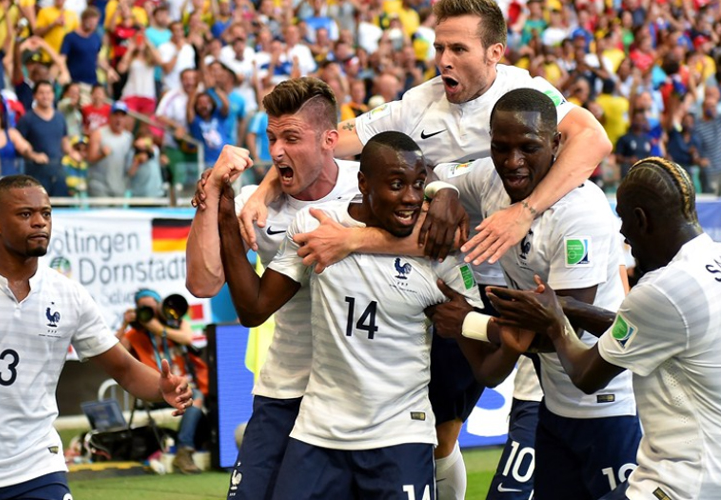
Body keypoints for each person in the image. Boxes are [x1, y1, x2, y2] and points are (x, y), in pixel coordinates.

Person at [239, 1, 611, 497]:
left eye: (459, 48)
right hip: (439, 276)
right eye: (439, 47)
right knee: (436, 430)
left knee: (483, 407)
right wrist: (267, 184)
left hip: (507, 278)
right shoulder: (420, 103)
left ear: (495, 52)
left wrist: (523, 211)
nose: (444, 59)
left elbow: (594, 140)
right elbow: (324, 140)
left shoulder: (525, 92)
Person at [217, 131, 484, 500]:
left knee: (447, 439)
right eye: (395, 185)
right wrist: (225, 216)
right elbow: (254, 309)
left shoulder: (439, 250)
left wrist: (483, 326)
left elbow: (483, 358)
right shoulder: (316, 227)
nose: (410, 197)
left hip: (399, 437)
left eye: (418, 185)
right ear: (362, 183)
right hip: (318, 434)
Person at [427, 88, 641, 500]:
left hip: (607, 401)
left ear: (557, 144)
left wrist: (470, 322)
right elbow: (438, 173)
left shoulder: (580, 212)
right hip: (550, 400)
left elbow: (560, 328)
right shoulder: (488, 179)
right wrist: (445, 196)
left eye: (529, 147)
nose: (513, 162)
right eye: (500, 147)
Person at [486, 157, 721, 500]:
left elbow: (586, 375)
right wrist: (570, 306)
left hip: (679, 484)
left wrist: (554, 323)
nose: (623, 235)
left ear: (641, 220)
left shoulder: (660, 290)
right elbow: (651, 333)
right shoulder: (709, 262)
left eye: (624, 220)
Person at [185, 77, 361, 500]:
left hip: (359, 391)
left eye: (291, 138)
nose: (277, 150)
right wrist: (212, 193)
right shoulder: (255, 205)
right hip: (284, 388)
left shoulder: (369, 184)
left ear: (329, 141)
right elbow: (203, 282)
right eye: (271, 138)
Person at [0, 175, 192, 498]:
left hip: (38, 467)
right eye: (25, 214)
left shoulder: (69, 295)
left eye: (46, 214)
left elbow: (125, 369)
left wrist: (161, 387)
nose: (39, 223)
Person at [116, 288, 208, 475]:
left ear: (160, 305)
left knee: (196, 396)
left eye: (153, 307)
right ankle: (184, 450)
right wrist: (125, 324)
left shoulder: (175, 324)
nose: (150, 313)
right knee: (195, 396)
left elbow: (187, 337)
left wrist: (157, 328)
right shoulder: (135, 335)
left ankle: (184, 451)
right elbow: (114, 351)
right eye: (144, 309)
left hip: (182, 388)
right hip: (153, 390)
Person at [16, 80, 71, 197]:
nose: (45, 96)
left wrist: (74, 153)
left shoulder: (60, 117)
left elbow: (65, 143)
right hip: (36, 174)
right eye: (41, 93)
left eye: (48, 92)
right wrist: (33, 155)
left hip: (58, 172)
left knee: (62, 207)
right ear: (35, 96)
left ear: (53, 95)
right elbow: (18, 144)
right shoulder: (27, 119)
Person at [0, 103, 48, 186]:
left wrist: (34, 155)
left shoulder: (11, 133)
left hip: (12, 181)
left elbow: (25, 148)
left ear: (0, 116)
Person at [87, 100, 133, 197]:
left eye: (122, 116)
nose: (119, 119)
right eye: (116, 115)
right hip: (99, 186)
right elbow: (90, 158)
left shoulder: (128, 138)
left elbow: (129, 165)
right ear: (110, 116)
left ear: (126, 118)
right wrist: (101, 155)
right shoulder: (98, 133)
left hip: (119, 187)